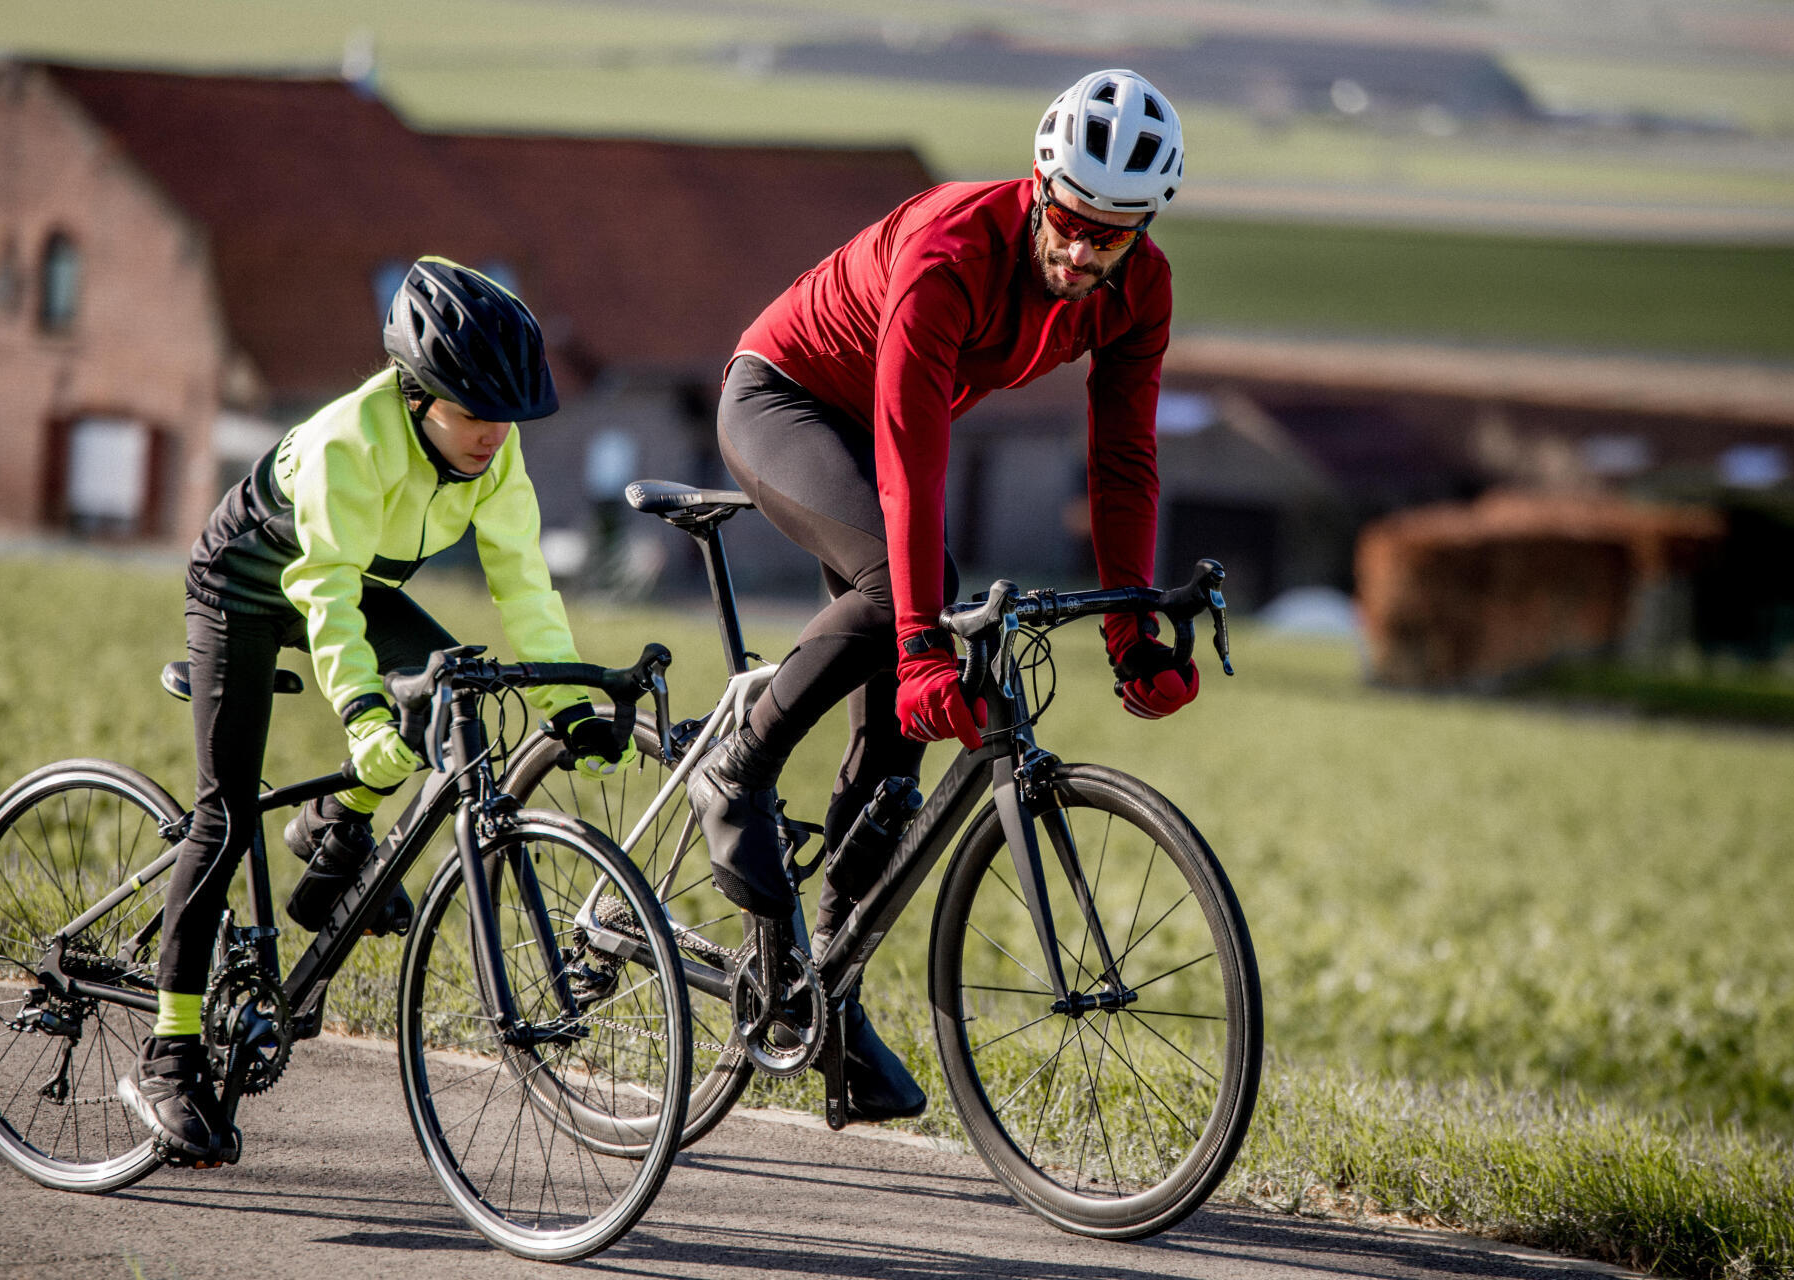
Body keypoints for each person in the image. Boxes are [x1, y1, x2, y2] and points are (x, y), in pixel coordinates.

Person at [688, 69, 1199, 1121]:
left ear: (1142, 230)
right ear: (1040, 186)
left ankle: (820, 989)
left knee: (899, 758)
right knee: (910, 601)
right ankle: (735, 769)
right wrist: (920, 644)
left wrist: (1133, 631)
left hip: (875, 441)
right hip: (786, 399)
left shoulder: (1137, 290)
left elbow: (1124, 462)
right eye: (1069, 221)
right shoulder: (952, 253)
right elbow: (909, 463)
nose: (1082, 253)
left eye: (1114, 235)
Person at [120, 256, 633, 1163]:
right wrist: (361, 711)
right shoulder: (349, 441)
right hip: (248, 588)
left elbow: (524, 583)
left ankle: (334, 825)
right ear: (417, 392)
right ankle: (169, 1053)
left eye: (506, 418)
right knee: (226, 814)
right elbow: (320, 589)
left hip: (353, 579)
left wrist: (566, 705)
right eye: (474, 412)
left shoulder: (495, 452)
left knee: (446, 684)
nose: (492, 437)